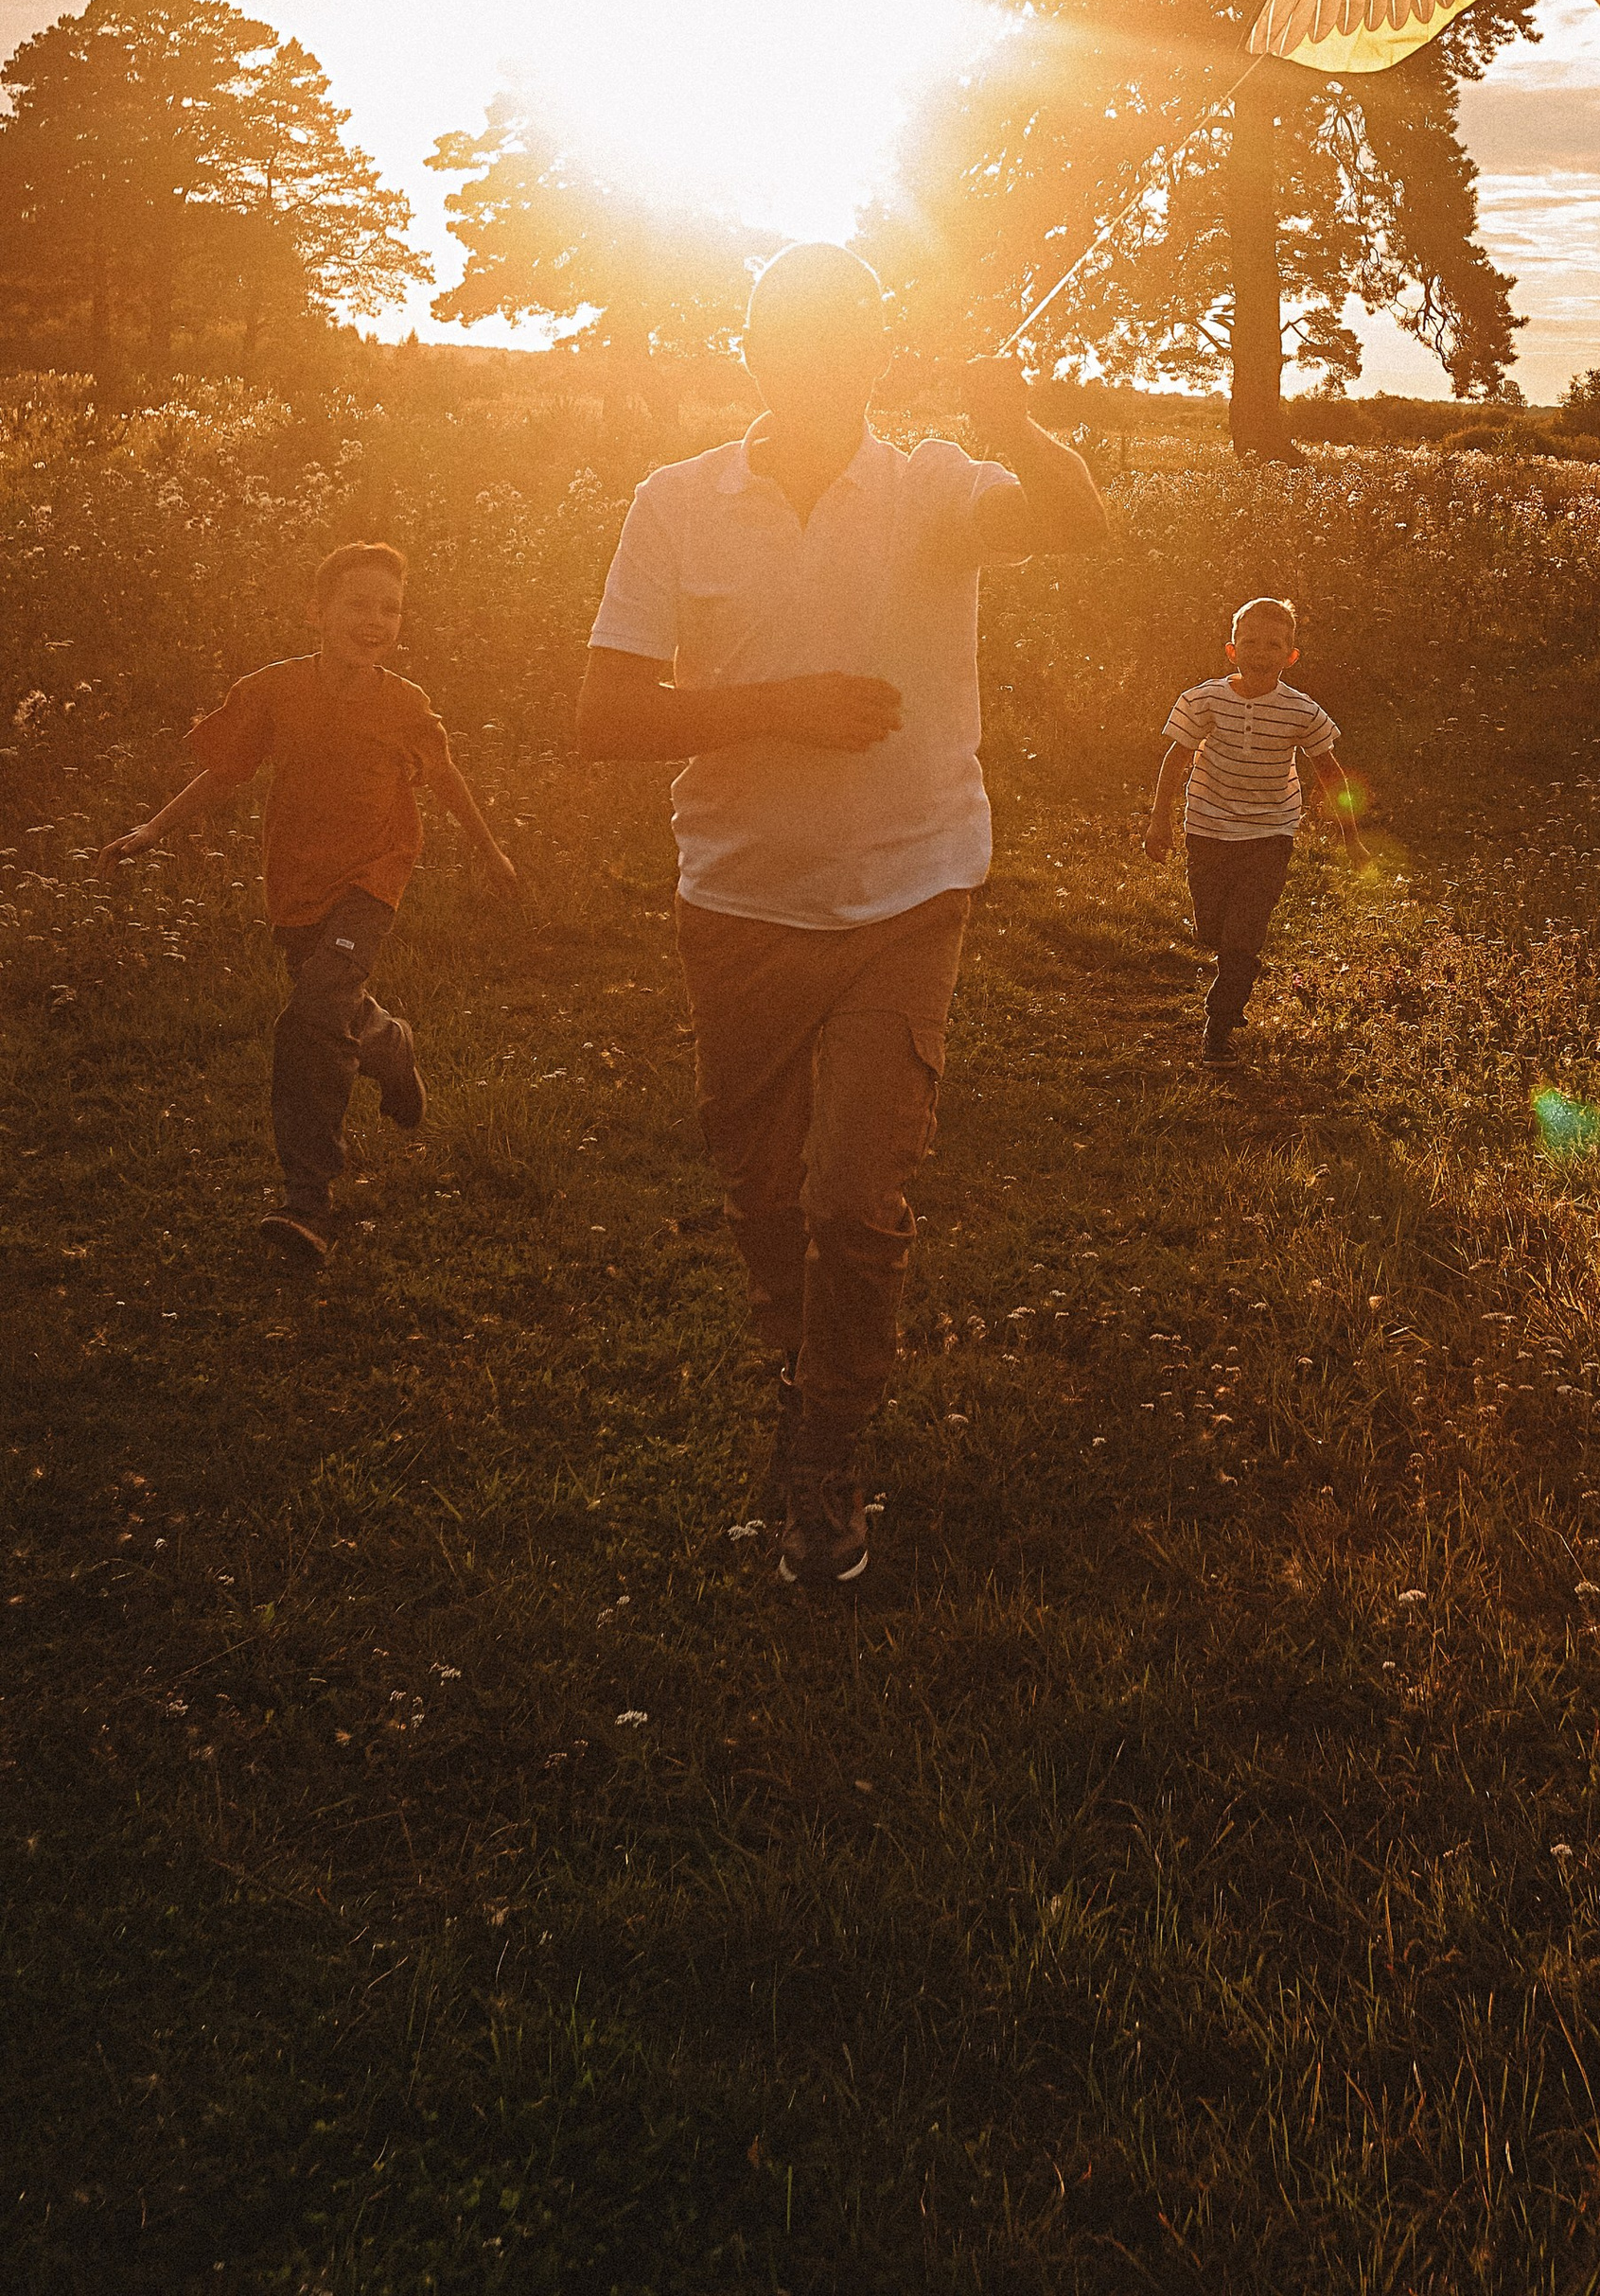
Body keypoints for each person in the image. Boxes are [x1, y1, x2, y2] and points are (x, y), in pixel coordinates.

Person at [575, 245, 1108, 1591]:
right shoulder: (678, 503)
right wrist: (778, 706)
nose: (816, 359)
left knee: (855, 1198)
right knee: (762, 1194)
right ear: (752, 347)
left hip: (911, 891)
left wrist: (1017, 427)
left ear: (879, 354)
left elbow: (1079, 526)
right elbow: (601, 716)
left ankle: (828, 1462)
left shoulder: (936, 484)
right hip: (740, 897)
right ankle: (798, 1364)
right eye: (790, 335)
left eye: (845, 337)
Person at [98, 539, 521, 1265]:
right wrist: (154, 827)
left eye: (390, 608)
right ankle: (390, 1044)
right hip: (295, 884)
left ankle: (308, 1204)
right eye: (358, 603)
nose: (376, 619)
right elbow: (226, 772)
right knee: (334, 1005)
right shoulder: (273, 692)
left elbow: (447, 780)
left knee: (307, 1019)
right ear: (316, 612)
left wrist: (492, 854)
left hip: (373, 878)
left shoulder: (405, 705)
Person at [1144, 595, 1368, 1060]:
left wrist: (1352, 838)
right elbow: (1176, 758)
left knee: (1243, 934)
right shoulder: (1204, 699)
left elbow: (1330, 772)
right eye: (1250, 642)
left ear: (1291, 657)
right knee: (1211, 929)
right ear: (1232, 650)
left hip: (1270, 832)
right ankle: (1236, 968)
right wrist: (1158, 819)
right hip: (1207, 826)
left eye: (1274, 644)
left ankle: (1220, 1023)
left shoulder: (1301, 711)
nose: (1261, 652)